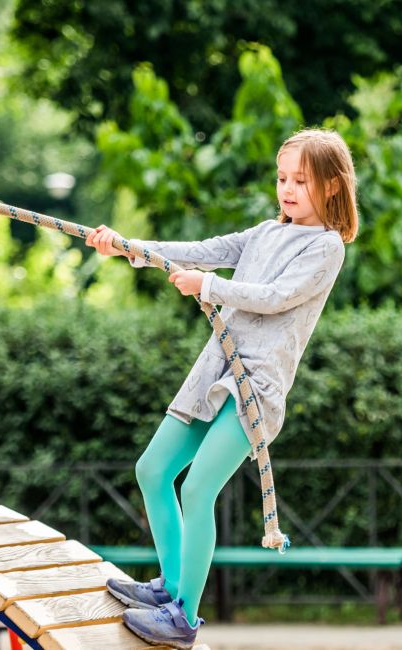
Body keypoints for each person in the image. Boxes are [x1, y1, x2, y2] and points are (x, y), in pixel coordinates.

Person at [85, 128, 359, 648]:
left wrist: (205, 285)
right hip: (213, 371)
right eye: (282, 177)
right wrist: (129, 247)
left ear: (331, 186)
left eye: (301, 180)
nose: (288, 188)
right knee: (153, 469)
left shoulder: (326, 249)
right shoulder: (263, 233)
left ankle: (184, 617)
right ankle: (168, 588)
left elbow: (276, 296)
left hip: (252, 388)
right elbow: (203, 250)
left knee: (198, 488)